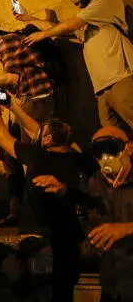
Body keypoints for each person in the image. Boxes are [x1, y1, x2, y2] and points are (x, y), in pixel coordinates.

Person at [0, 97, 92, 302]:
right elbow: (38, 131)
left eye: (42, 137)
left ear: (47, 140)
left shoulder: (38, 157)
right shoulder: (77, 159)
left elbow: (2, 139)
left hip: (42, 245)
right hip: (69, 247)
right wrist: (13, 106)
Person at [24, 0, 133, 135]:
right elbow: (63, 30)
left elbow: (72, 24)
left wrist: (43, 35)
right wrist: (31, 19)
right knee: (114, 142)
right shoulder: (94, 16)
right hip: (102, 89)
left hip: (121, 78)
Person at [33, 126, 133, 302]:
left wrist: (127, 228)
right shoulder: (96, 182)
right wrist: (62, 189)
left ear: (129, 148)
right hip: (112, 286)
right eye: (98, 152)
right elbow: (83, 199)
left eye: (110, 148)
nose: (104, 157)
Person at [0, 18, 56, 125]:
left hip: (36, 99)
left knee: (34, 140)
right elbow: (14, 82)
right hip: (37, 100)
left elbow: (11, 78)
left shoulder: (6, 42)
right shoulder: (5, 43)